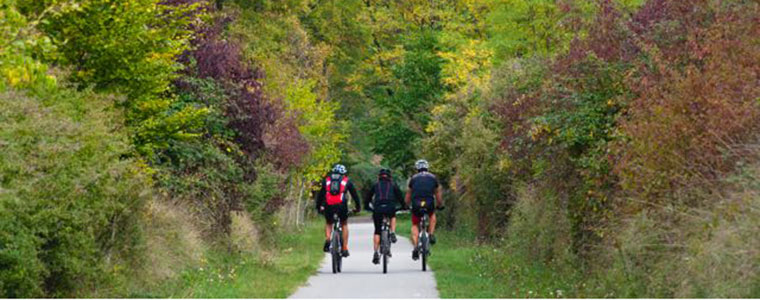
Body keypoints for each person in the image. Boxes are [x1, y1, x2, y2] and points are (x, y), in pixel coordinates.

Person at [316, 164, 361, 257]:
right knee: (344, 224)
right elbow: (355, 195)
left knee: (329, 223)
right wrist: (358, 207)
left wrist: (319, 206)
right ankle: (344, 248)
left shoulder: (327, 181)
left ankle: (328, 238)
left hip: (329, 205)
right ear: (344, 173)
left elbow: (320, 195)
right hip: (342, 206)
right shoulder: (346, 181)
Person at [364, 168, 406, 265]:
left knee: (377, 231)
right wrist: (403, 206)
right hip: (390, 207)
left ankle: (375, 252)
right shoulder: (393, 185)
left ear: (379, 177)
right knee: (392, 216)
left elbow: (368, 198)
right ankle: (392, 232)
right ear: (390, 177)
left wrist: (368, 207)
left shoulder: (375, 185)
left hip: (378, 208)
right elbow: (400, 197)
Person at [405, 159, 444, 260]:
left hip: (416, 203)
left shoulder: (413, 179)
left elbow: (408, 194)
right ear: (427, 167)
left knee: (415, 224)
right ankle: (431, 234)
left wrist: (406, 205)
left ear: (417, 168)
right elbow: (438, 194)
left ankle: (415, 247)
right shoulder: (433, 178)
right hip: (429, 202)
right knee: (432, 216)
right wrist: (440, 204)